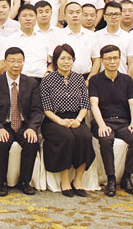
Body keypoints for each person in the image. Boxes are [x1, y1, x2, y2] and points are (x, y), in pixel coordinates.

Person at [0, 46, 42, 197]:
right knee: (0, 143)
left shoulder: (32, 83)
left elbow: (37, 110)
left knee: (31, 141)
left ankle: (25, 182)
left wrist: (32, 128)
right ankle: (1, 183)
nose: (16, 65)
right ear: (5, 63)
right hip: (4, 125)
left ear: (23, 63)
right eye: (12, 61)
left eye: (19, 61)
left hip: (24, 125)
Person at [39, 44, 95, 197]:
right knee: (66, 137)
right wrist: (60, 121)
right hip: (53, 120)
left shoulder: (79, 79)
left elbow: (85, 104)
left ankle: (78, 180)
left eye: (69, 58)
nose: (66, 62)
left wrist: (78, 119)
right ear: (55, 61)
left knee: (85, 137)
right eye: (62, 58)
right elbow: (46, 108)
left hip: (76, 118)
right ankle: (65, 181)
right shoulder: (47, 80)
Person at [89, 45, 133, 197]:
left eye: (115, 58)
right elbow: (94, 104)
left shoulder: (127, 80)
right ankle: (111, 179)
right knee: (106, 139)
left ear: (120, 59)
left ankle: (127, 177)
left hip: (123, 122)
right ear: (102, 60)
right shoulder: (95, 80)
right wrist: (101, 125)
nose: (112, 62)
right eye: (108, 59)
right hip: (103, 121)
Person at [4, 4, 51, 82]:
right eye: (24, 16)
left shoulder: (44, 38)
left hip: (41, 79)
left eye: (31, 15)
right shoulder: (10, 39)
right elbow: (5, 63)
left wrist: (48, 73)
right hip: (18, 80)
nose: (28, 19)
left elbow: (51, 62)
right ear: (18, 19)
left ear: (36, 18)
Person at [90, 1, 133, 77]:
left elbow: (132, 63)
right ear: (104, 17)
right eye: (110, 14)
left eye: (117, 14)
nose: (114, 17)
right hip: (100, 80)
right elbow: (94, 61)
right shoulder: (96, 36)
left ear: (121, 16)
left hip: (122, 79)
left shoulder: (129, 37)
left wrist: (129, 82)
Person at [62, 2, 97, 78]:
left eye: (78, 12)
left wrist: (90, 79)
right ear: (65, 16)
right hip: (64, 78)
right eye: (71, 13)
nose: (75, 15)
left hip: (87, 76)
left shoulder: (91, 35)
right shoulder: (58, 35)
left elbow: (97, 59)